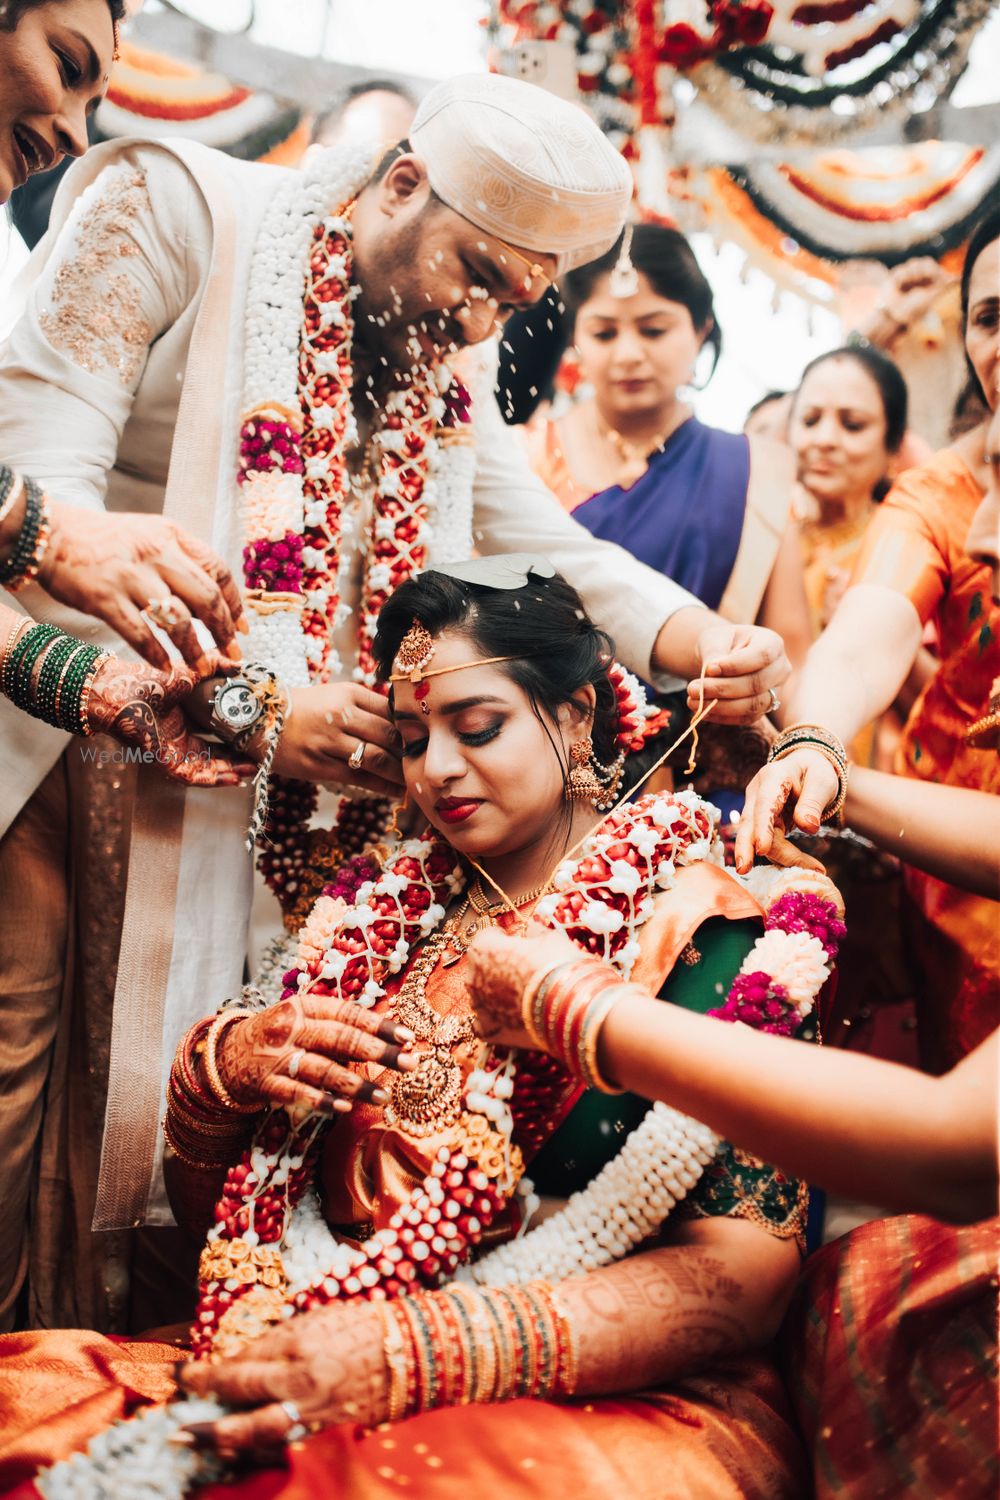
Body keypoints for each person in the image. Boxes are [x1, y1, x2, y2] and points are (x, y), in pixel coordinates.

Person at [0, 70, 792, 1332]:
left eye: (513, 302)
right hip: (54, 752)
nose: (479, 324)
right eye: (473, 274)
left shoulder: (431, 350)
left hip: (262, 814)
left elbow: (547, 541)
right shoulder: (170, 210)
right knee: (22, 1103)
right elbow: (39, 505)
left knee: (211, 1108)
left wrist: (707, 639)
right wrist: (256, 710)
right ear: (402, 184)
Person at [1, 560, 823, 1497]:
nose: (434, 770)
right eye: (410, 738)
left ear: (579, 714)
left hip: (591, 1397)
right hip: (309, 1342)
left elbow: (748, 1276)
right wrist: (220, 1074)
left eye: (478, 728)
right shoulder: (380, 918)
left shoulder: (713, 932)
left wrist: (415, 1351)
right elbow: (231, 1227)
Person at [738, 208, 1000, 1074]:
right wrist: (816, 739)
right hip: (952, 852)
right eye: (990, 318)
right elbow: (870, 624)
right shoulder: (937, 495)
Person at [524, 223, 812, 665]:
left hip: (708, 718)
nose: (628, 354)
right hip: (552, 724)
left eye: (653, 330)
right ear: (575, 340)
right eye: (604, 334)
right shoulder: (525, 456)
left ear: (700, 331)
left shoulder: (756, 472)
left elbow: (790, 645)